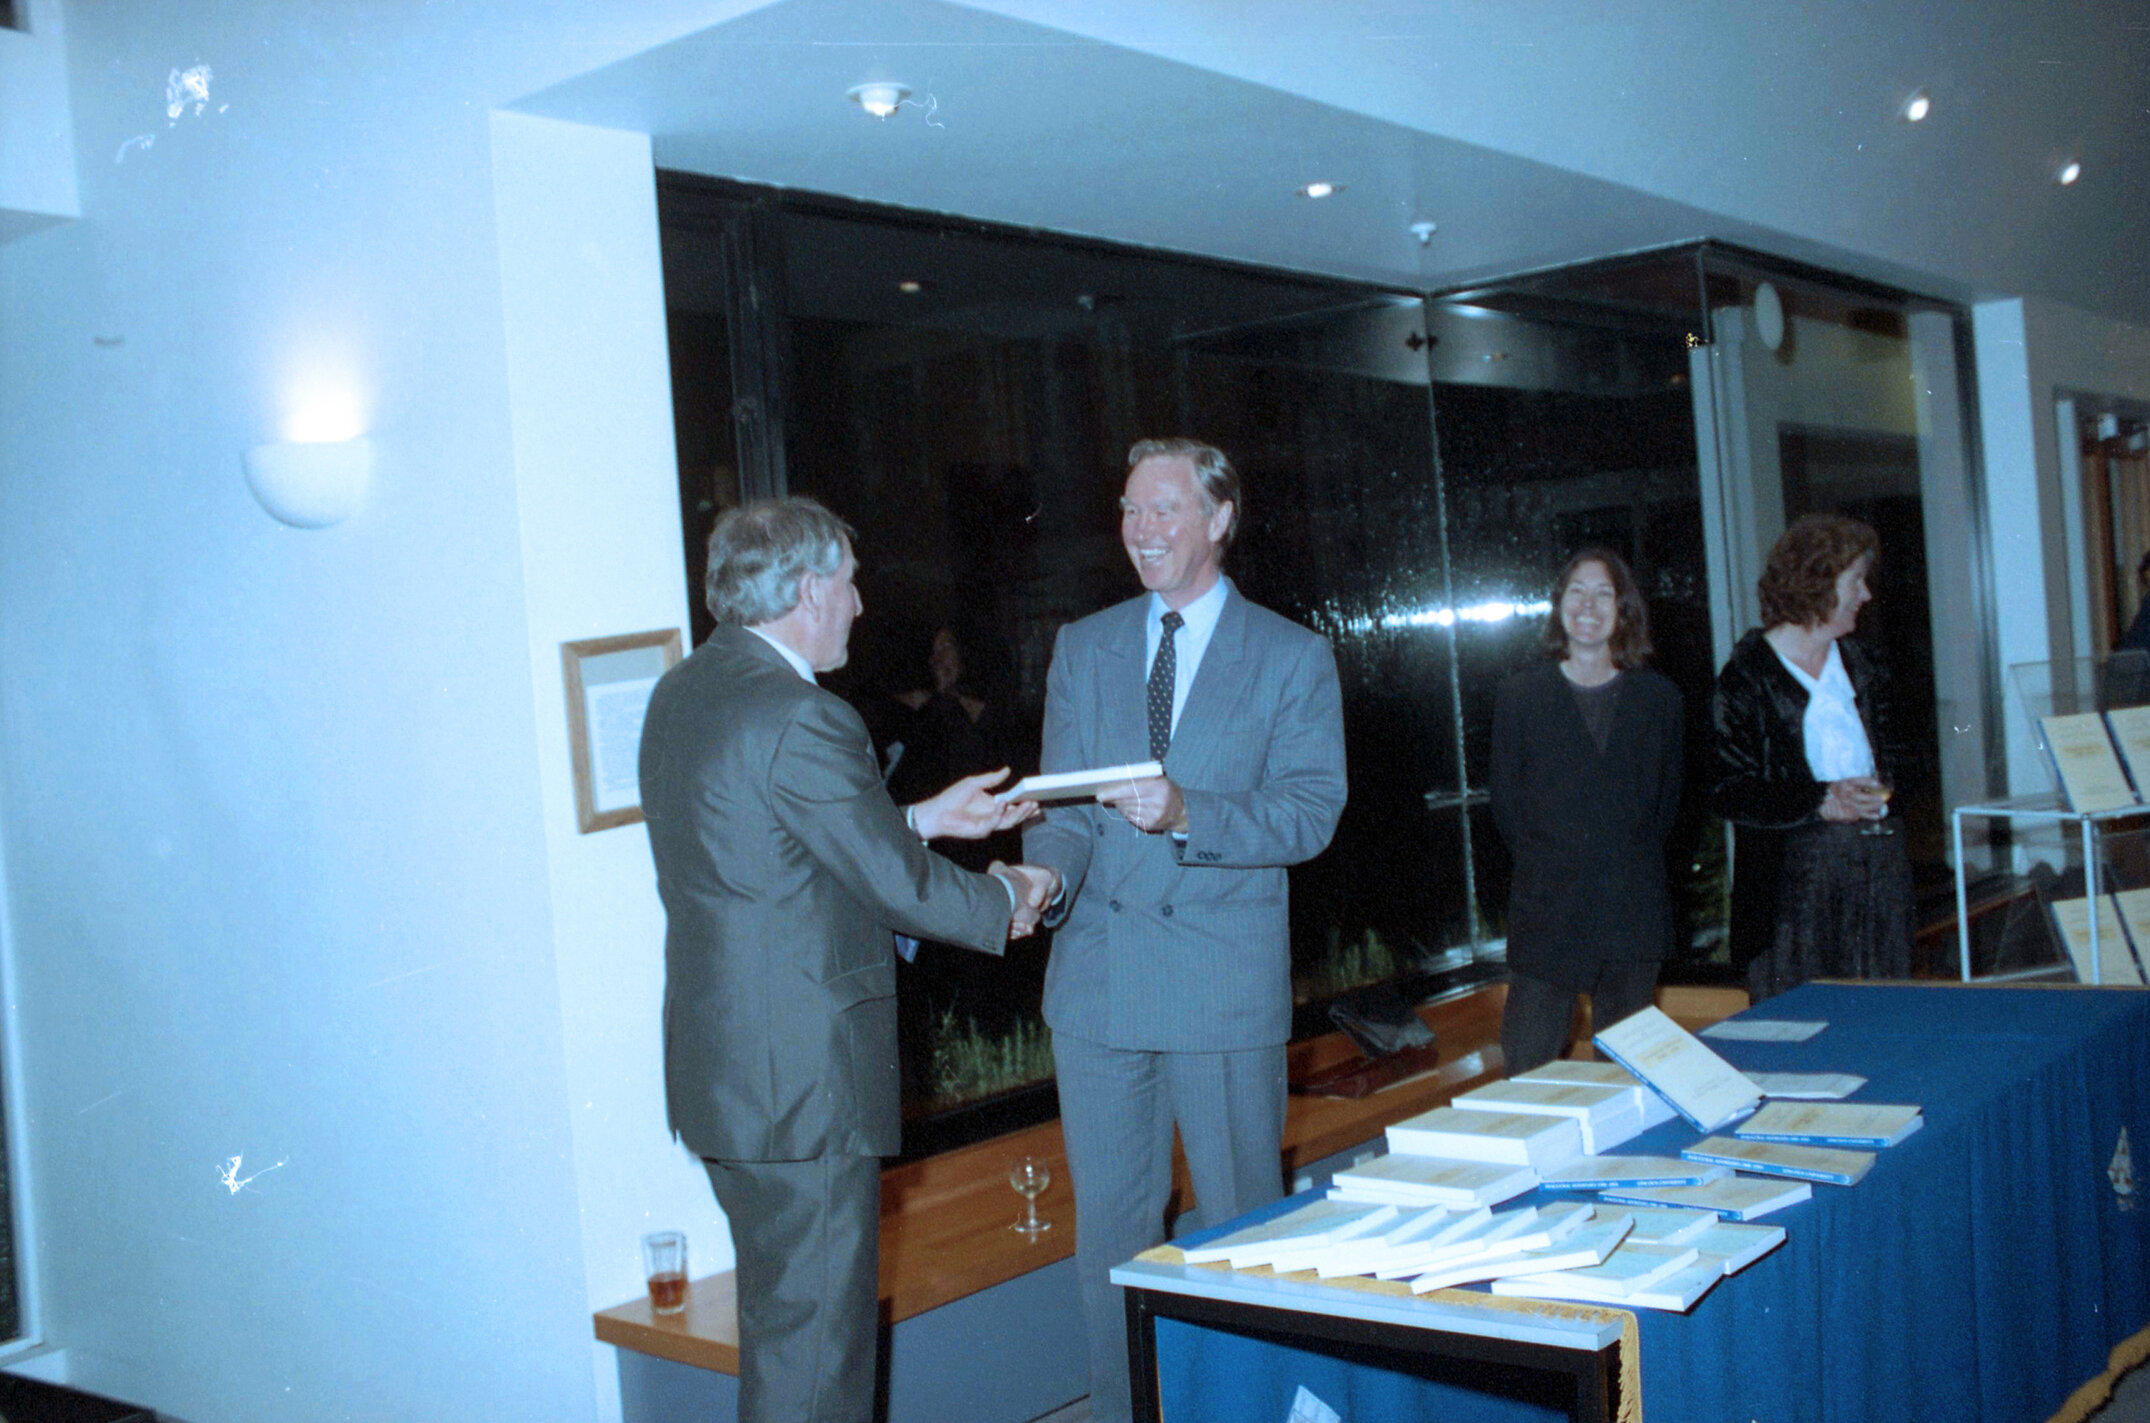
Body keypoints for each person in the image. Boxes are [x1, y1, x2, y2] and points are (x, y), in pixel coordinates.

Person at [639, 497, 1059, 1423]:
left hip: (731, 1083)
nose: (861, 606)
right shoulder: (804, 715)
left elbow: (775, 846)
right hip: (804, 1091)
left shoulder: (687, 692)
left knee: (789, 1344)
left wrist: (920, 817)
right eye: (850, 583)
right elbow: (896, 886)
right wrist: (1007, 898)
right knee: (818, 1369)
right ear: (807, 589)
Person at [1022, 438, 1347, 1423]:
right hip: (1098, 987)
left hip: (1219, 988)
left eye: (1164, 509)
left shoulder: (1290, 655)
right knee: (1110, 1245)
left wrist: (1186, 811)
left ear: (1218, 518)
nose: (1141, 529)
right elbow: (1064, 810)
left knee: (1241, 1232)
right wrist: (1042, 874)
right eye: (1129, 509)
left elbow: (1310, 812)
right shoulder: (1084, 646)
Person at [1489, 548, 1683, 1073]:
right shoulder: (1519, 696)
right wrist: (1557, 863)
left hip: (1631, 910)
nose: (1589, 606)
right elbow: (1507, 807)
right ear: (1559, 606)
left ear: (1624, 609)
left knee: (1627, 1078)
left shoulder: (1660, 699)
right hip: (1547, 911)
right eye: (1577, 592)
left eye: (1603, 594)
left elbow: (1665, 808)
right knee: (1528, 1070)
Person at [1711, 513, 1913, 1003]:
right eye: (1855, 581)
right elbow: (1727, 790)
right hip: (1791, 903)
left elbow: (1908, 760)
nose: (1866, 594)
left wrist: (1884, 787)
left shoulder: (1868, 666)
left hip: (1878, 887)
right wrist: (1821, 801)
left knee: (1883, 1021)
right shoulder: (1746, 679)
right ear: (1817, 582)